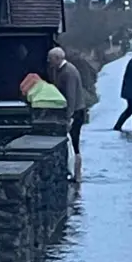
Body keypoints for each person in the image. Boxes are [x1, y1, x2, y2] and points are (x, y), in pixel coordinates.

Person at [48, 46, 86, 183]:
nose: (49, 62)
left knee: (74, 142)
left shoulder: (68, 72)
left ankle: (77, 174)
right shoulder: (62, 70)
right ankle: (74, 172)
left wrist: (69, 116)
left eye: (51, 59)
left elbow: (71, 96)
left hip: (75, 112)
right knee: (72, 142)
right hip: (75, 111)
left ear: (57, 58)